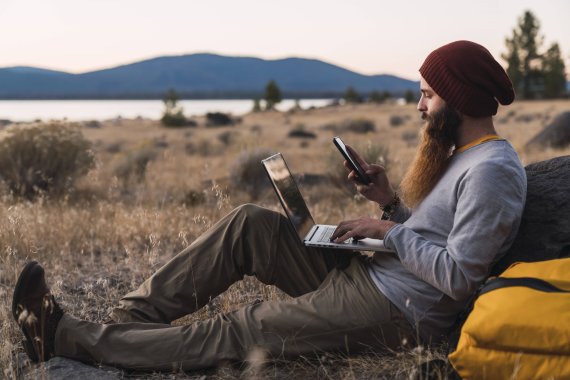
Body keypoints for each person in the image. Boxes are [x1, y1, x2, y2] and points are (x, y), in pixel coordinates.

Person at [12, 40, 527, 371]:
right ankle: (128, 323)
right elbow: (436, 239)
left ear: (459, 100)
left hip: (396, 312)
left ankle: (64, 338)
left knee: (243, 328)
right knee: (248, 225)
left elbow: (460, 276)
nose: (419, 106)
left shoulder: (492, 173)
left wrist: (390, 233)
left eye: (428, 96)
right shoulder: (464, 157)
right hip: (372, 278)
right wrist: (390, 203)